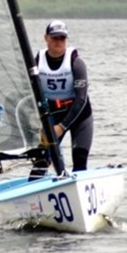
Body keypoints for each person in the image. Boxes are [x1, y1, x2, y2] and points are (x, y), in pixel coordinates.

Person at [35, 20, 93, 173]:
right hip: (52, 115)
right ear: (46, 38)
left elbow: (81, 99)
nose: (59, 42)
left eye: (62, 38)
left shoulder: (76, 63)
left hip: (79, 115)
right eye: (55, 38)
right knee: (40, 164)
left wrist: (62, 127)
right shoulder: (37, 62)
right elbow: (29, 95)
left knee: (80, 163)